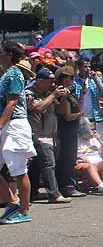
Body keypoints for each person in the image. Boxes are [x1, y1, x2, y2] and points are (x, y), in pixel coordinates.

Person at [0, 44, 36, 224]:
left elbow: (12, 102)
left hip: (14, 125)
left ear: (9, 55)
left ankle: (24, 210)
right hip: (6, 124)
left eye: (1, 52)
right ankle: (13, 201)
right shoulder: (6, 74)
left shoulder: (14, 74)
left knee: (19, 170)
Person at [26, 66, 70, 204]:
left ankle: (32, 193)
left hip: (50, 135)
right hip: (37, 134)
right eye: (49, 81)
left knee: (36, 166)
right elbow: (37, 108)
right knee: (48, 164)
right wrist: (53, 95)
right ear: (40, 80)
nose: (52, 84)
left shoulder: (49, 93)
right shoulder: (30, 92)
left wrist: (64, 98)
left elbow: (61, 111)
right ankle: (54, 194)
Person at [54, 65, 84, 198]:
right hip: (66, 128)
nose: (72, 80)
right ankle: (67, 186)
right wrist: (80, 114)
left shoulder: (68, 92)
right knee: (67, 158)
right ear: (64, 78)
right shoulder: (62, 93)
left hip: (70, 128)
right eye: (71, 77)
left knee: (70, 157)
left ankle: (68, 184)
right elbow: (66, 116)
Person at [75, 119, 103, 194]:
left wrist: (100, 141)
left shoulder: (95, 140)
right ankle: (101, 185)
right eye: (89, 132)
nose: (91, 134)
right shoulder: (77, 141)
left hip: (98, 162)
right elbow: (73, 156)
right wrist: (81, 159)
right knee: (90, 166)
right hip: (84, 163)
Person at [72, 58, 103, 128]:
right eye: (85, 67)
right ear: (79, 68)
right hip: (80, 117)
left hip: (94, 117)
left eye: (89, 67)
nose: (88, 69)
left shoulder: (94, 80)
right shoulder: (75, 81)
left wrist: (97, 80)